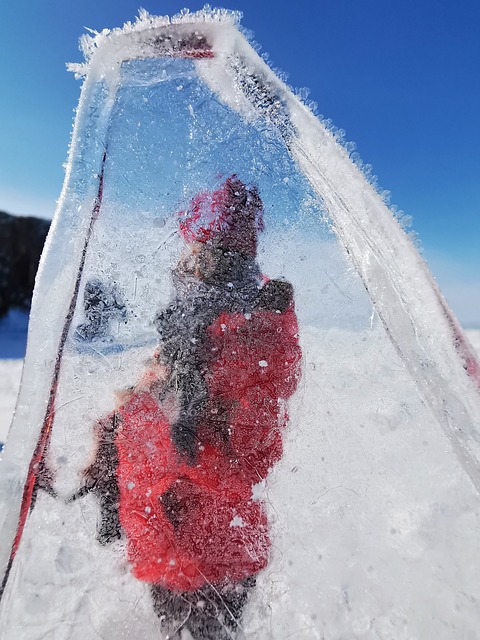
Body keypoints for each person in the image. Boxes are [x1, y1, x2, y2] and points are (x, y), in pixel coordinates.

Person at [78, 176, 301, 639]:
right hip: (170, 544)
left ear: (210, 254)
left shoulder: (247, 336)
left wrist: (151, 417)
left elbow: (245, 458)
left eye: (193, 248)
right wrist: (112, 436)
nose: (181, 259)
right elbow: (160, 396)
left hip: (208, 558)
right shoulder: (190, 325)